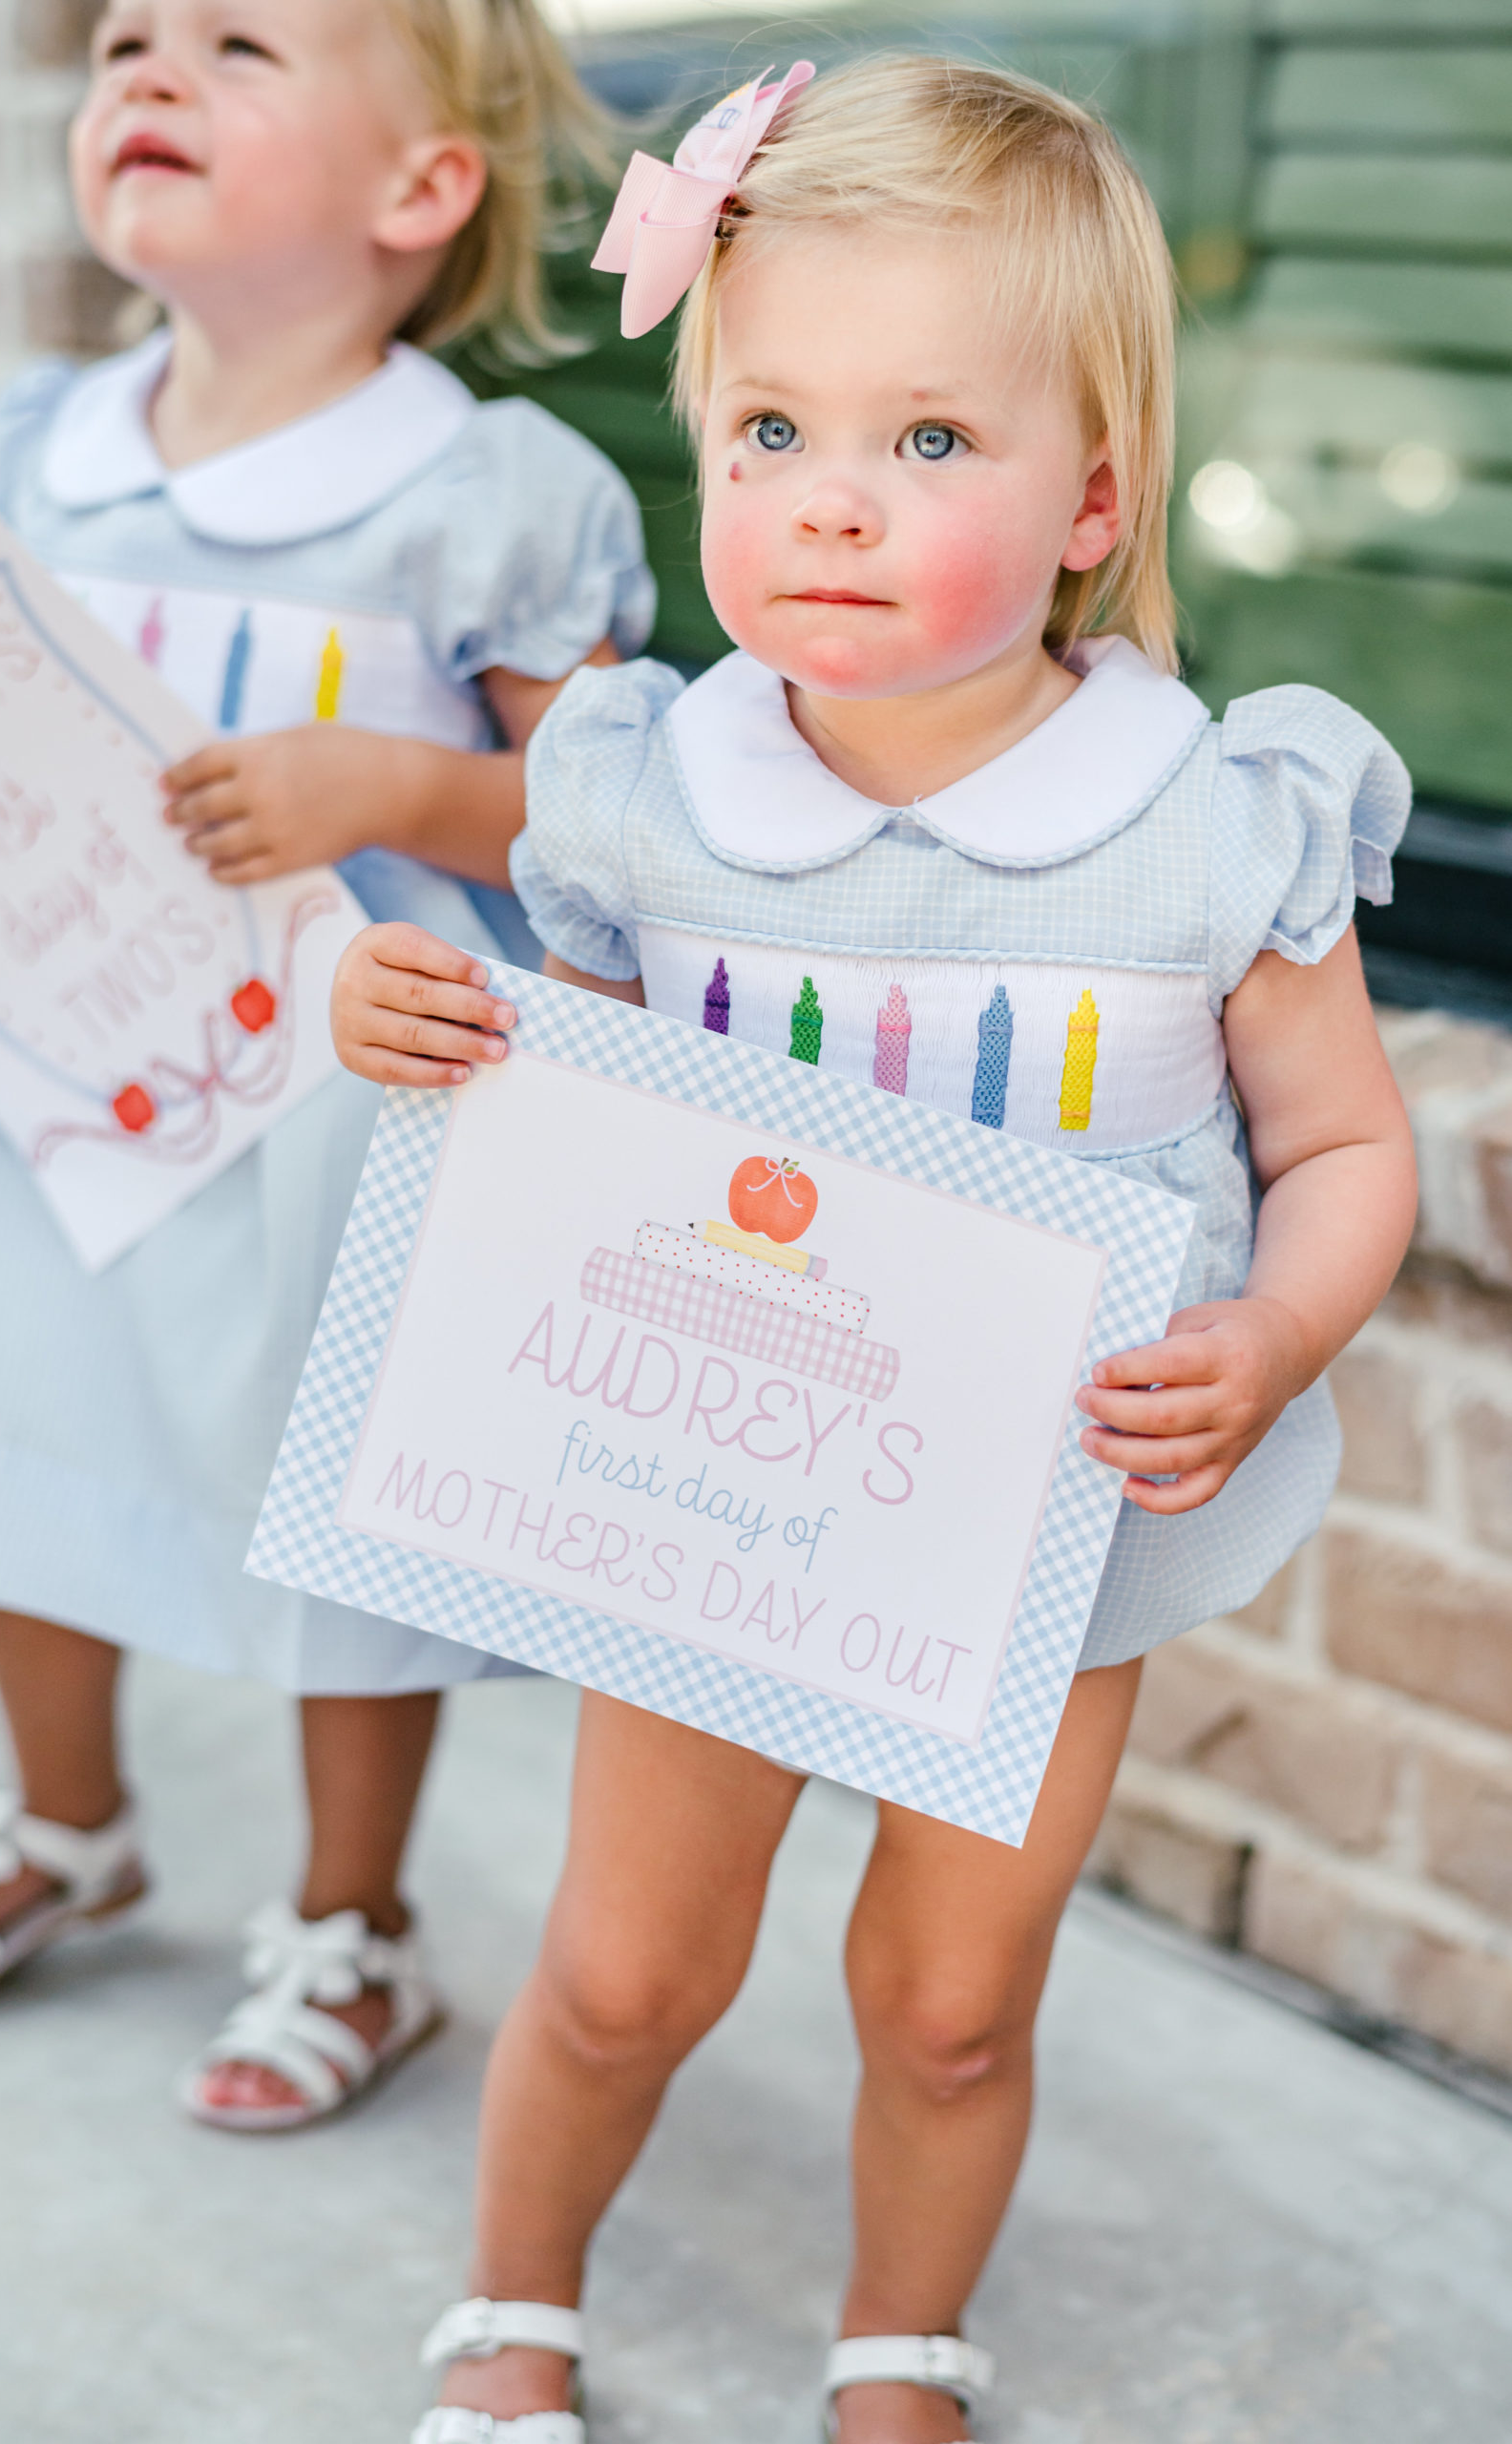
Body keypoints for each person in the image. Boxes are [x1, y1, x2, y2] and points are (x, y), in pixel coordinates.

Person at [354, 52, 1421, 2442]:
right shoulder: (654, 789)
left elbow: (1350, 1146)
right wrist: (429, 1017)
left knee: (953, 1993)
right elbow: (579, 1099)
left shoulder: (1202, 822)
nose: (834, 506)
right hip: (721, 1492)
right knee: (631, 1967)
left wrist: (1268, 1326)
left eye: (931, 443)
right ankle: (512, 2309)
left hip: (1047, 1519)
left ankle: (895, 2347)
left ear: (1094, 495)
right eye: (772, 434)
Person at [0, 0, 653, 2137]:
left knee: (342, 1519)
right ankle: (65, 1815)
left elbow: (609, 820)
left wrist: (402, 780)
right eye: (127, 36)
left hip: (343, 1109)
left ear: (420, 190)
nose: (147, 71)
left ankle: (352, 1917)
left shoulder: (489, 494)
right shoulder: (42, 441)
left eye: (237, 45)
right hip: (41, 1063)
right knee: (17, 1423)